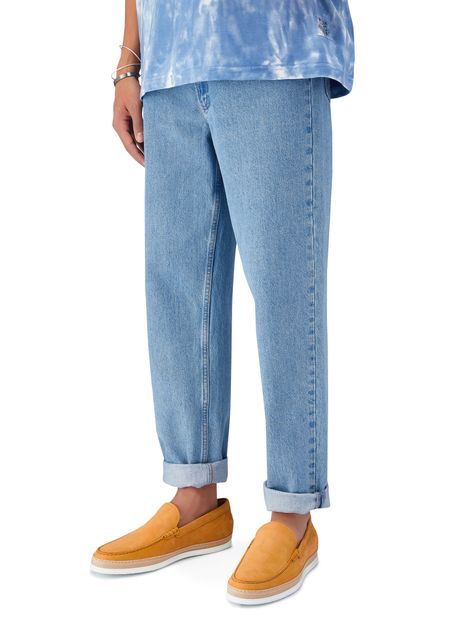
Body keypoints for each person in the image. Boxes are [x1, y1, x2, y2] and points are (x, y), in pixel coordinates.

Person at [91, 0, 355, 605]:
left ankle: (292, 513)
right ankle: (195, 498)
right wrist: (130, 63)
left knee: (285, 289)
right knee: (178, 290)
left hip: (272, 51)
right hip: (170, 64)